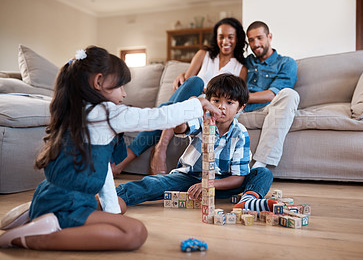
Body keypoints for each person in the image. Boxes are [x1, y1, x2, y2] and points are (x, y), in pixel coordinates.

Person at [0, 46, 221, 250]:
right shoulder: (105, 113)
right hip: (69, 203)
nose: (124, 94)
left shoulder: (78, 112)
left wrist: (112, 211)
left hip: (52, 195)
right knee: (135, 233)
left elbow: (102, 169)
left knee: (119, 207)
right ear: (98, 82)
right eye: (121, 86)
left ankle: (38, 213)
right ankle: (33, 238)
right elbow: (156, 117)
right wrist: (197, 104)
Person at [116, 74, 277, 214]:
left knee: (262, 173)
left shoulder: (240, 133)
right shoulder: (202, 120)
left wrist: (208, 184)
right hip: (189, 178)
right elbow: (181, 127)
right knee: (154, 183)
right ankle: (113, 196)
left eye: (229, 102)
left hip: (222, 185)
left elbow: (238, 178)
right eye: (216, 100)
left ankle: (248, 201)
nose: (221, 106)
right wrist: (188, 109)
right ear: (208, 102)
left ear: (241, 107)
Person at [113, 17, 248, 176]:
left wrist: (209, 94)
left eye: (230, 37)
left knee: (165, 108)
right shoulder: (203, 54)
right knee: (196, 82)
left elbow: (236, 96)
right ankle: (159, 147)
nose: (225, 41)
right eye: (221, 36)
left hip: (208, 108)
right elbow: (188, 83)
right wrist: (188, 81)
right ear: (216, 38)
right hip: (189, 102)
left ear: (237, 38)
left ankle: (150, 151)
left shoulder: (241, 67)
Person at [238, 21, 300, 168]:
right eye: (251, 40)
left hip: (269, 108)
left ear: (269, 36)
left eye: (259, 38)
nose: (256, 44)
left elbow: (273, 94)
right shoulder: (245, 63)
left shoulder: (286, 63)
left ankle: (260, 164)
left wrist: (241, 97)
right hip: (240, 107)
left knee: (290, 95)